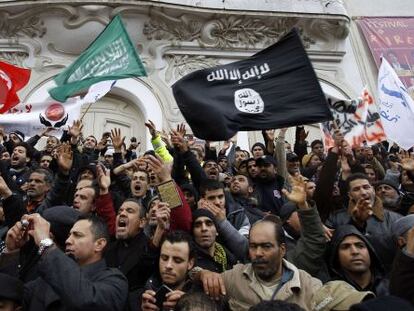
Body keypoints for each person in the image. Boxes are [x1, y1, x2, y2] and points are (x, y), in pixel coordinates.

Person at [194, 216, 322, 311]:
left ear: (282, 249)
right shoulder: (234, 279)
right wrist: (201, 273)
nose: (258, 253)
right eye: (253, 246)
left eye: (266, 246)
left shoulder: (308, 286)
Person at [19, 214, 128, 310]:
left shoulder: (115, 281)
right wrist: (12, 251)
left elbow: (86, 300)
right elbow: (12, 297)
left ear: (99, 244)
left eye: (77, 235)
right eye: (69, 235)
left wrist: (45, 243)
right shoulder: (47, 278)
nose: (68, 241)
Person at [326, 173, 402, 270]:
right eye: (356, 189)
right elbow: (331, 251)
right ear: (350, 195)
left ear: (373, 190)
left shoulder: (396, 219)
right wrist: (356, 222)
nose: (363, 192)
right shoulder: (336, 218)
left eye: (366, 187)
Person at [105, 198, 159, 310]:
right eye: (120, 211)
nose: (122, 214)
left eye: (129, 211)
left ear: (142, 222)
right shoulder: (107, 249)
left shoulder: (149, 250)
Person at [141, 231, 199, 311]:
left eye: (177, 260)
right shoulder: (142, 297)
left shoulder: (201, 297)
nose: (168, 265)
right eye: (164, 258)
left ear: (190, 263)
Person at [328, 225, 389, 296]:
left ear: (370, 252)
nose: (355, 251)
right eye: (345, 247)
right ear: (336, 256)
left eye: (360, 246)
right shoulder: (331, 293)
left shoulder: (391, 287)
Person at [192, 208, 236, 273]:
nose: (204, 229)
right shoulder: (190, 261)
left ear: (217, 231)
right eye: (198, 225)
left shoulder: (229, 258)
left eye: (209, 224)